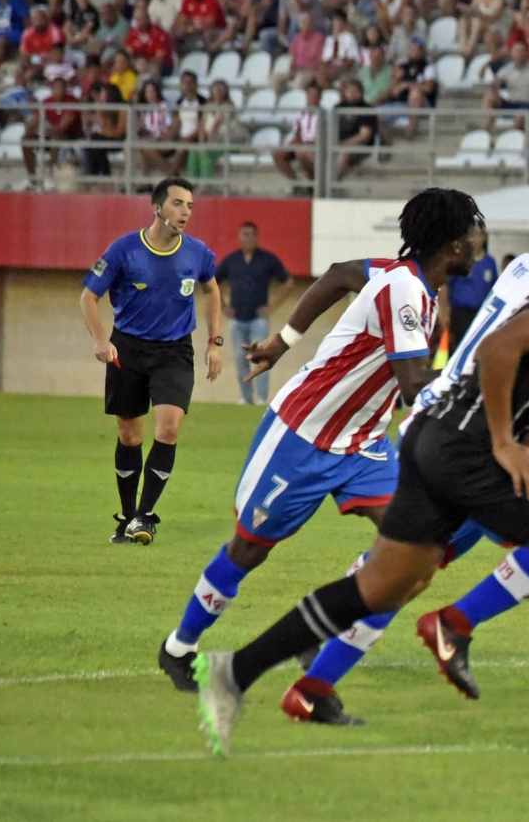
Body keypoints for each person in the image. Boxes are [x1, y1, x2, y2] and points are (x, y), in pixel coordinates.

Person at [192, 214, 529, 763]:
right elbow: (499, 350)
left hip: (433, 436)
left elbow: (526, 374)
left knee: (381, 587)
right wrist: (503, 441)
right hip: (466, 450)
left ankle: (233, 673)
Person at [160, 189, 479, 697]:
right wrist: (490, 377)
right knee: (248, 549)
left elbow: (338, 274)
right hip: (303, 434)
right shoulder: (403, 292)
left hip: (364, 444)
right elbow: (415, 385)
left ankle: (329, 620)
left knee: (415, 540)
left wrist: (280, 341)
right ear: (453, 245)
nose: (478, 241)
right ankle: (179, 646)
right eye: (472, 233)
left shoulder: (401, 277)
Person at [78, 178, 223, 545]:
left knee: (169, 428)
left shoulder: (198, 252)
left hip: (175, 351)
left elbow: (212, 288)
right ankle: (126, 518)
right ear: (157, 208)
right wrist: (99, 339)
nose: (185, 212)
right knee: (130, 434)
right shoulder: (124, 250)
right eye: (177, 204)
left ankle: (144, 518)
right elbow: (87, 298)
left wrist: (214, 341)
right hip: (127, 349)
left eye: (190, 205)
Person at [215, 223, 293, 405]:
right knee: (240, 359)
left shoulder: (267, 259)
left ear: (257, 237)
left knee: (262, 358)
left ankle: (261, 398)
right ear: (240, 237)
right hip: (236, 319)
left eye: (252, 235)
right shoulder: (231, 260)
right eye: (245, 234)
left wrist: (272, 306)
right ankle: (245, 397)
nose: (248, 238)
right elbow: (212, 282)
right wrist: (223, 306)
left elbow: (288, 283)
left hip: (259, 319)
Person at [444, 226, 500, 352]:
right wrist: (445, 312)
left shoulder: (489, 262)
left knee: (476, 348)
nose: (475, 239)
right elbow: (447, 286)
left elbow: (494, 289)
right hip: (460, 312)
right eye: (472, 236)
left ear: (484, 238)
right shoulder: (461, 260)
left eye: (479, 235)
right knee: (458, 347)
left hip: (480, 313)